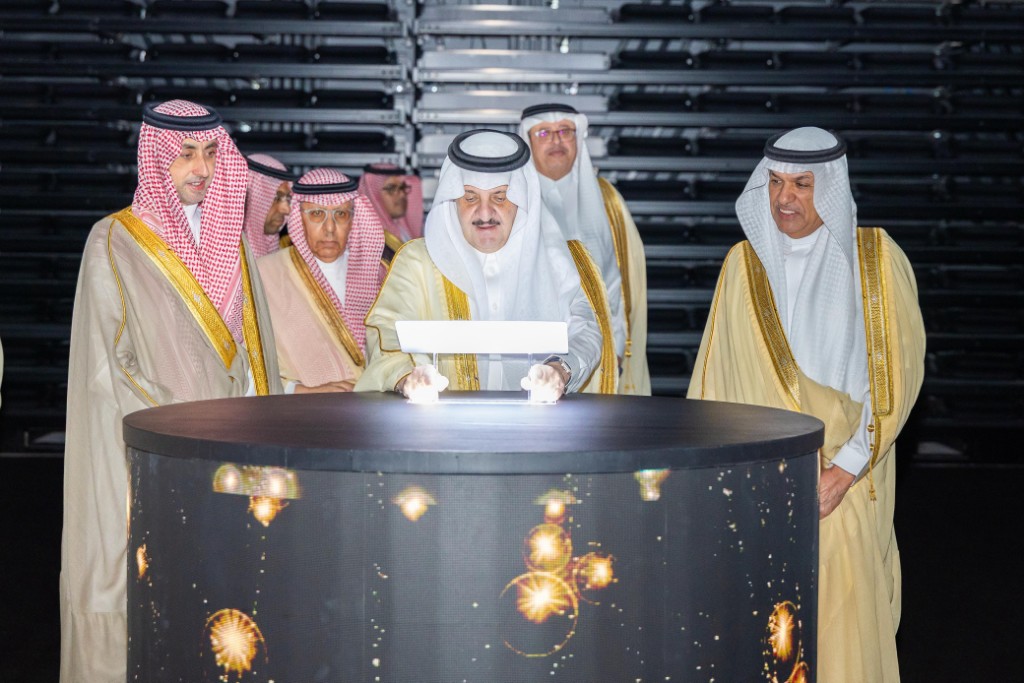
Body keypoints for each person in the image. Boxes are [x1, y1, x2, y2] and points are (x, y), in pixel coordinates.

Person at [687, 127, 925, 682]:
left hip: (837, 484)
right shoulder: (741, 265)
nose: (784, 197)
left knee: (838, 637)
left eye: (801, 184)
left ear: (831, 189)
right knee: (758, 636)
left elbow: (896, 377)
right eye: (775, 182)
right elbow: (713, 381)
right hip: (754, 487)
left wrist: (843, 473)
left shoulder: (875, 261)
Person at [61, 100, 282, 683]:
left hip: (230, 458)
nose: (201, 168)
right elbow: (109, 365)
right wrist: (185, 428)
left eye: (209, 153)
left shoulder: (233, 243)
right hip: (151, 454)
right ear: (157, 159)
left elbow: (257, 354)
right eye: (185, 154)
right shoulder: (113, 240)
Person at [355, 129, 614, 399]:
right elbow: (386, 332)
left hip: (539, 421)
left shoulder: (558, 260)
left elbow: (585, 330)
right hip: (442, 421)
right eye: (470, 197)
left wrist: (559, 369)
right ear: (453, 200)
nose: (485, 212)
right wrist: (407, 376)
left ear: (522, 200)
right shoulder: (417, 261)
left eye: (500, 197)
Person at [519, 103, 651, 395]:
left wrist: (616, 352)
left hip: (599, 357)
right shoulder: (512, 200)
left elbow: (619, 282)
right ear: (527, 141)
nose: (556, 140)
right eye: (544, 133)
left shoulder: (607, 200)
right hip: (528, 358)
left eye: (565, 131)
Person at [257, 168, 386, 393]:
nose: (329, 229)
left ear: (354, 219)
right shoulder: (264, 274)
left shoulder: (380, 274)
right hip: (295, 410)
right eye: (317, 214)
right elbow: (244, 363)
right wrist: (299, 391)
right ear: (299, 218)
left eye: (341, 214)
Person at [358, 163, 424, 261]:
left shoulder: (402, 228)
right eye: (391, 188)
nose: (402, 194)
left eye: (402, 187)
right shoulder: (369, 241)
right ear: (373, 195)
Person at [243, 153, 295, 258]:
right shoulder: (229, 256)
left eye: (288, 199)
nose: (287, 209)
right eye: (277, 198)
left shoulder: (284, 252)